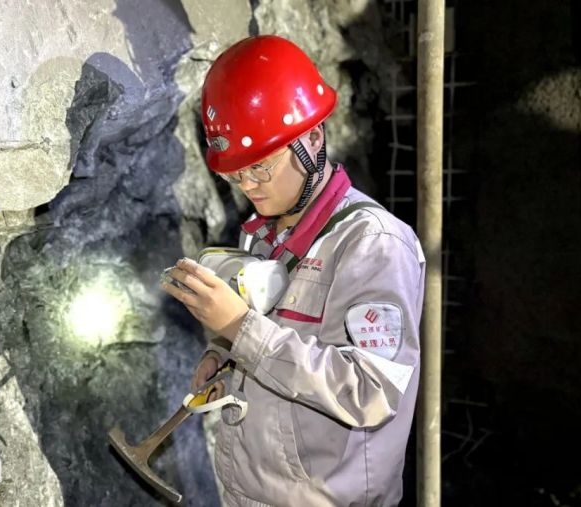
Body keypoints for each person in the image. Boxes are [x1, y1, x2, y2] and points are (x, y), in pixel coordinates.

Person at [161, 34, 426, 507]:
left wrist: (240, 329)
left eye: (260, 166)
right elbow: (274, 346)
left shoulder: (374, 245)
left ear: (312, 140)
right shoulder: (262, 235)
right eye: (235, 172)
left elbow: (372, 391)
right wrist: (224, 354)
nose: (248, 185)